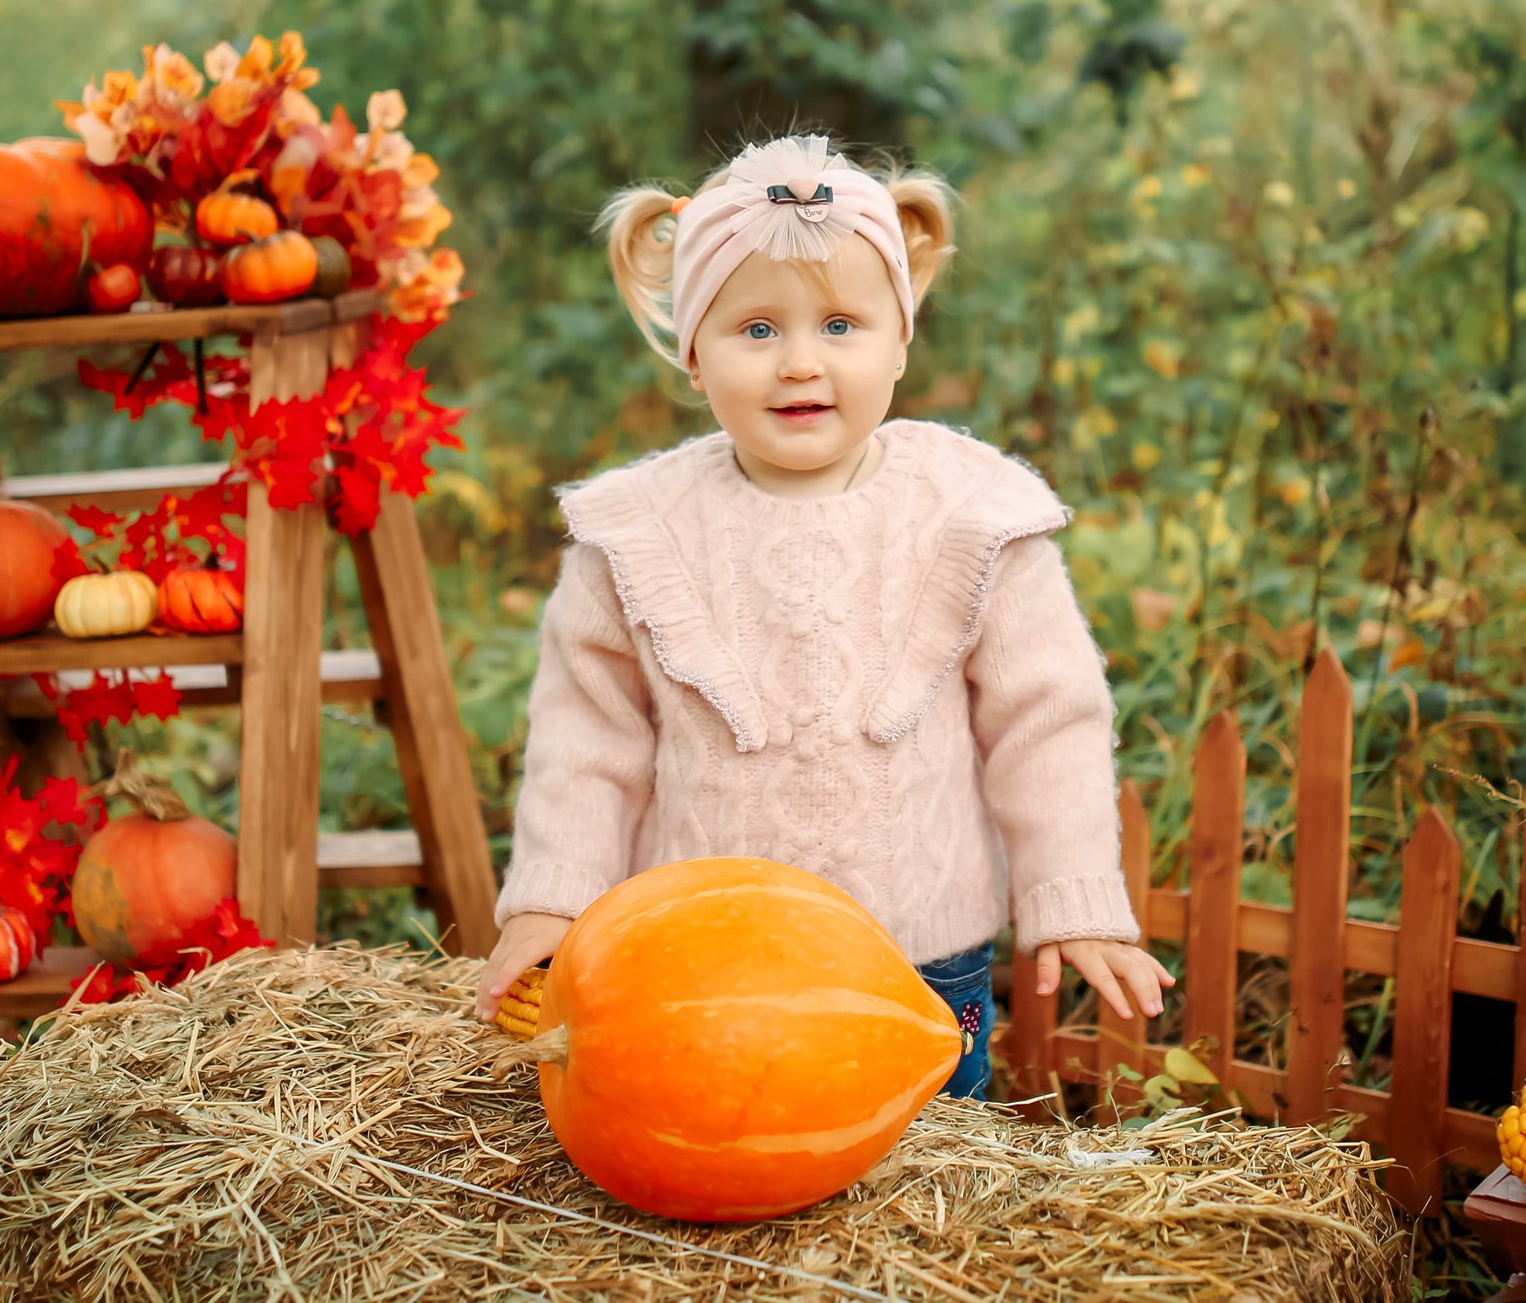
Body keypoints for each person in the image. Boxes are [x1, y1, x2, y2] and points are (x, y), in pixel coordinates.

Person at [470, 134, 1173, 1097]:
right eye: (756, 330)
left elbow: (1046, 719)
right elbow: (587, 742)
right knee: (730, 1154)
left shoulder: (973, 514)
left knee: (921, 1176)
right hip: (698, 964)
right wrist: (552, 899)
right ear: (692, 356)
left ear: (900, 337)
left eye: (841, 325)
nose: (801, 362)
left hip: (923, 952)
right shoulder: (633, 535)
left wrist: (1072, 898)